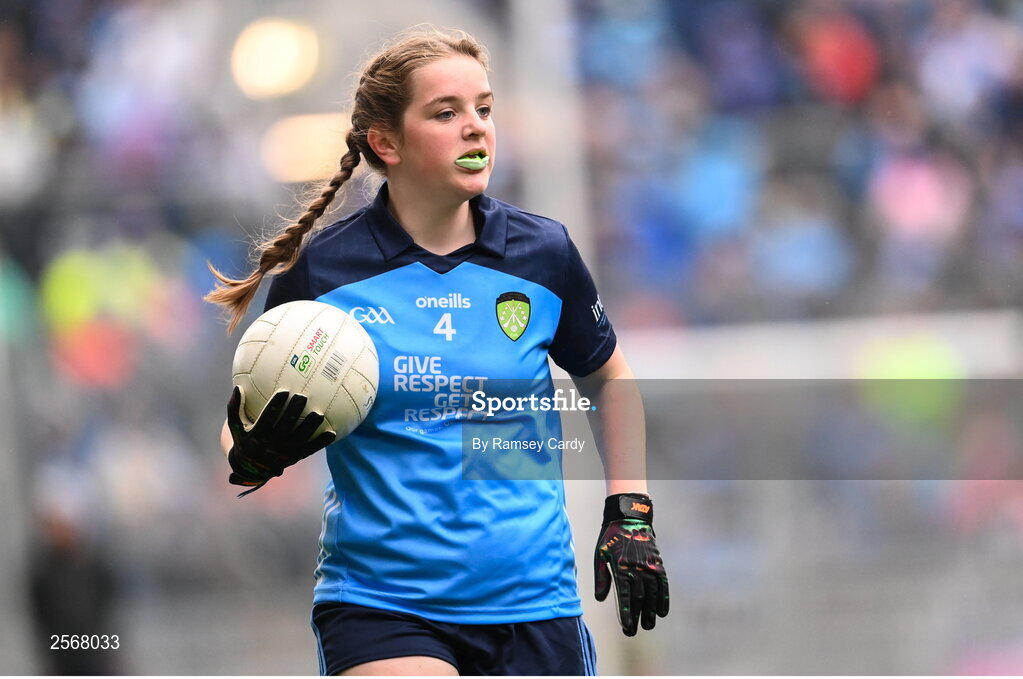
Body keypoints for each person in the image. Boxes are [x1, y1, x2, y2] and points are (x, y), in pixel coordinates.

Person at [206, 27, 668, 676]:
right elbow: (241, 428)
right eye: (445, 112)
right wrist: (251, 455)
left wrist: (630, 510)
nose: (475, 127)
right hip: (382, 605)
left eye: (483, 108)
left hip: (534, 603)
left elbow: (608, 380)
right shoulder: (323, 272)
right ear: (384, 142)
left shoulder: (543, 254)